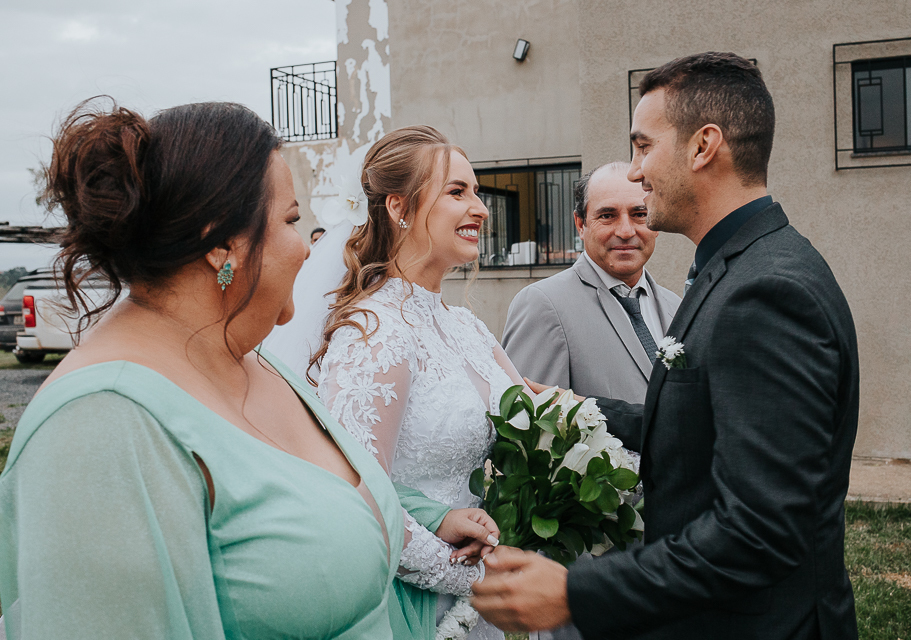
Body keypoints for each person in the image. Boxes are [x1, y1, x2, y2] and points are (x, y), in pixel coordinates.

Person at [0, 100, 491, 640]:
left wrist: (433, 515)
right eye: (291, 221)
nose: (308, 250)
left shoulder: (257, 363)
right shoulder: (99, 424)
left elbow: (315, 485)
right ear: (223, 244)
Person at [473, 52, 860, 640]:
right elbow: (698, 422)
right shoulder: (739, 267)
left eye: (643, 147)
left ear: (704, 147)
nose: (635, 171)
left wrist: (576, 592)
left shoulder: (766, 293)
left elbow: (759, 531)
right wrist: (579, 409)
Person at [310, 125, 529, 640]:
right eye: (457, 192)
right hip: (411, 600)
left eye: (476, 192)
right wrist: (471, 576)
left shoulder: (467, 327)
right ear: (399, 208)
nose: (480, 208)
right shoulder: (374, 332)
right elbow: (355, 491)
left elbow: (536, 418)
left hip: (479, 596)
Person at [502, 161, 681, 405]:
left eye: (640, 214)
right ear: (580, 224)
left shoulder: (676, 307)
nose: (626, 231)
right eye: (607, 216)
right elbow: (526, 418)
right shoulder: (542, 305)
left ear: (656, 221)